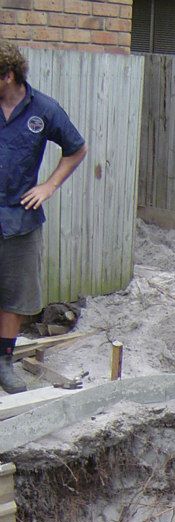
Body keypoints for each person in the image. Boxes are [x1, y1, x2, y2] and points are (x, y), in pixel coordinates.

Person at [0, 41, 87, 394]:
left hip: (20, 219)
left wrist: (49, 186)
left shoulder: (45, 110)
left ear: (8, 76)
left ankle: (4, 363)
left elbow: (76, 148)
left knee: (14, 296)